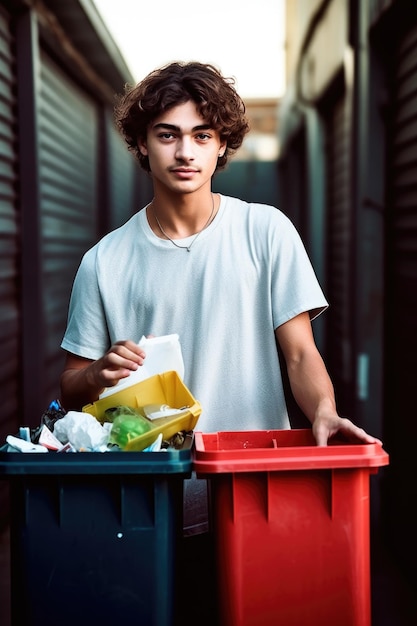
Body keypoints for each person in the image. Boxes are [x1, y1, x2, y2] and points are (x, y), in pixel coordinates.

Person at [60, 61, 381, 624]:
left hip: (256, 497)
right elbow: (71, 384)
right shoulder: (103, 261)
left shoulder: (266, 231)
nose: (185, 151)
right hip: (150, 505)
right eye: (168, 134)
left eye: (201, 136)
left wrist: (324, 412)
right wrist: (97, 375)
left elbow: (301, 352)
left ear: (220, 145)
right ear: (142, 143)